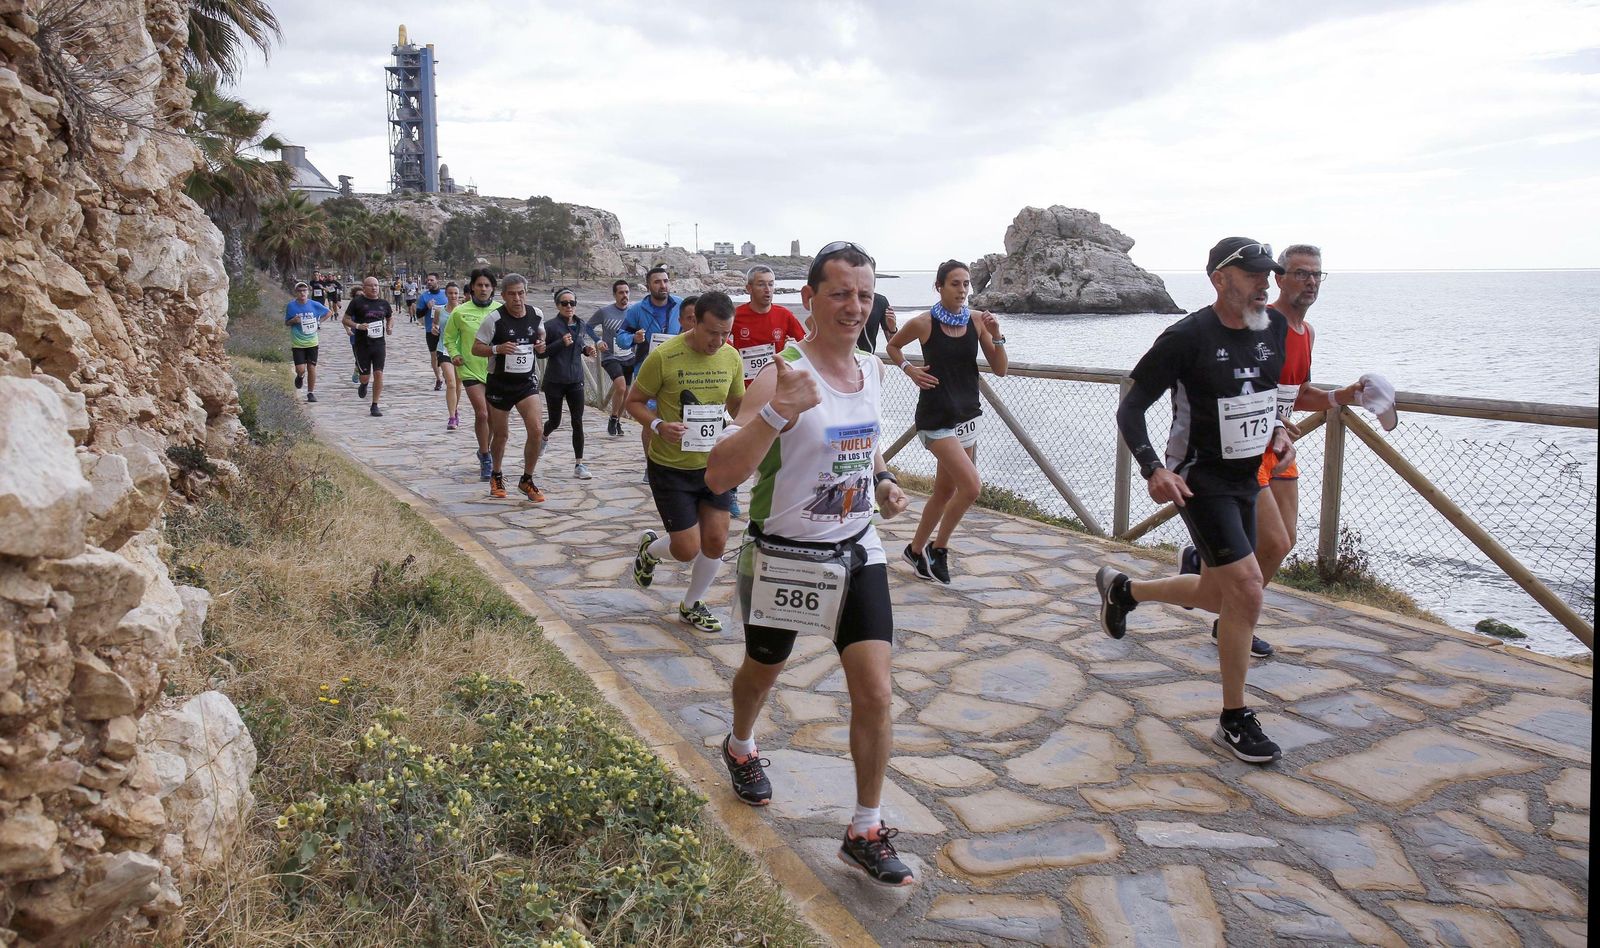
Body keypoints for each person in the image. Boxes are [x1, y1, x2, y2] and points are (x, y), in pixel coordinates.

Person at [705, 241, 916, 887]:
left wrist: (880, 480)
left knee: (876, 692)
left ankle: (866, 827)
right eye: (840, 293)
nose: (855, 306)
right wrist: (776, 412)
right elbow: (719, 473)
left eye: (864, 293)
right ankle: (741, 743)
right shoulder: (783, 373)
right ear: (811, 300)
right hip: (785, 557)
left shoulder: (874, 371)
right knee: (764, 671)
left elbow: (866, 443)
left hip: (857, 548)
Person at [1098, 237, 1295, 765]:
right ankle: (1234, 719)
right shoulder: (1185, 337)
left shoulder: (1272, 328)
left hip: (1248, 476)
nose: (1265, 285)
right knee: (1247, 589)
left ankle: (1126, 591)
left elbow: (1270, 395)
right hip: (1198, 480)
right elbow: (1132, 408)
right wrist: (1153, 467)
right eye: (1254, 275)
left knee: (1226, 588)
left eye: (1269, 275)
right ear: (1220, 280)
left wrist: (1280, 430)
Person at [1177, 244, 1365, 658]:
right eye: (1299, 273)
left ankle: (1212, 579)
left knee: (1284, 541)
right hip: (1249, 447)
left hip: (1278, 447)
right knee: (1271, 543)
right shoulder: (1265, 322)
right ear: (1278, 278)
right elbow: (1240, 383)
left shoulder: (1305, 331)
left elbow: (1295, 393)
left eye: (1317, 274)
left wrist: (1342, 396)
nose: (1310, 282)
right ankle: (1232, 613)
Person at [628, 291, 744, 634]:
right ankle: (651, 550)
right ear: (694, 321)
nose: (718, 341)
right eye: (712, 333)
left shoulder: (730, 357)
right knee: (685, 549)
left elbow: (739, 404)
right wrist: (658, 425)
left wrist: (746, 431)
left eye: (725, 333)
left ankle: (692, 605)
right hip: (671, 467)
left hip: (713, 466)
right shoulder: (665, 356)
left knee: (717, 540)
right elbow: (634, 400)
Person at [886, 260, 1007, 584]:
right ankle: (939, 549)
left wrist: (997, 336)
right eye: (955, 284)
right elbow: (893, 346)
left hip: (966, 417)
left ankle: (914, 550)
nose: (962, 290)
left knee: (944, 491)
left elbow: (1000, 368)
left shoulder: (979, 321)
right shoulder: (923, 323)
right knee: (971, 487)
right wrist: (908, 370)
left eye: (966, 284)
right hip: (935, 419)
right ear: (939, 287)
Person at [471, 273, 547, 502]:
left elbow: (540, 338)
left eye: (521, 293)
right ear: (503, 296)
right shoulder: (494, 319)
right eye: (512, 294)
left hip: (526, 383)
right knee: (501, 435)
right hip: (500, 383)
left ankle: (527, 479)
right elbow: (476, 348)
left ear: (526, 292)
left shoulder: (536, 314)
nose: (517, 298)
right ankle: (496, 474)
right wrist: (497, 349)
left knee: (536, 430)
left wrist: (541, 346)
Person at [442, 269, 501, 478]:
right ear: (473, 287)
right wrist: (455, 354)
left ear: (493, 288)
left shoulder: (500, 310)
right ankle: (486, 456)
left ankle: (485, 448)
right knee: (482, 413)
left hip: (496, 370)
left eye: (487, 285)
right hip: (469, 369)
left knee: (494, 416)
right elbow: (448, 338)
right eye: (479, 285)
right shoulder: (460, 312)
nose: (483, 289)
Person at [542, 287, 597, 479]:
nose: (569, 306)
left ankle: (579, 465)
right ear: (557, 305)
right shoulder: (550, 326)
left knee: (577, 422)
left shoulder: (581, 324)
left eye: (572, 303)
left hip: (576, 380)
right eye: (564, 303)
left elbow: (579, 344)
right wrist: (559, 344)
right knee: (555, 421)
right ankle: (544, 435)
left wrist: (587, 350)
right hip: (555, 380)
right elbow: (540, 352)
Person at [732, 265, 807, 383]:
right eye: (761, 284)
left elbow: (805, 345)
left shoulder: (785, 315)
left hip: (775, 384)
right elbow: (720, 342)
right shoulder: (735, 315)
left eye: (771, 284)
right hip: (744, 387)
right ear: (749, 288)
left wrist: (790, 351)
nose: (767, 289)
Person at [341, 276, 394, 417]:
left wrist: (389, 327)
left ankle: (375, 405)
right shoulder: (357, 302)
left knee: (379, 373)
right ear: (364, 288)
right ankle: (364, 384)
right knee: (365, 376)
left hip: (379, 344)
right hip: (362, 344)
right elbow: (345, 319)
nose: (374, 288)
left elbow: (390, 317)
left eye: (376, 285)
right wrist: (358, 326)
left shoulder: (384, 303)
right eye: (371, 285)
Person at [587, 279, 634, 436]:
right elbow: (588, 327)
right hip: (610, 356)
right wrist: (598, 341)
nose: (624, 295)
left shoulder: (634, 312)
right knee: (620, 386)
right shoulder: (604, 311)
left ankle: (618, 420)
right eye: (621, 292)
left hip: (629, 356)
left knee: (626, 393)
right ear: (615, 295)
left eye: (627, 292)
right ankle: (613, 417)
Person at [284, 280, 329, 403]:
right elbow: (287, 322)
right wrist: (294, 320)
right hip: (298, 342)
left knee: (312, 368)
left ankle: (310, 393)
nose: (302, 293)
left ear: (308, 292)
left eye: (304, 290)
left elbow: (328, 312)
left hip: (312, 342)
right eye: (299, 291)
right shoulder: (291, 306)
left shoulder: (314, 304)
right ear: (296, 293)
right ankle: (300, 376)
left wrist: (319, 322)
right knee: (300, 369)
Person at [436, 281, 465, 429]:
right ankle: (452, 417)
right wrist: (435, 329)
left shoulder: (464, 310)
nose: (453, 296)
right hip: (443, 349)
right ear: (446, 294)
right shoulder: (440, 310)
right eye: (450, 293)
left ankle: (455, 409)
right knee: (451, 383)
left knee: (458, 384)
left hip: (459, 351)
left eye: (455, 293)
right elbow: (436, 325)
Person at [416, 273, 449, 392]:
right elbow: (418, 314)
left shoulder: (446, 294)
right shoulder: (424, 297)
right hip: (431, 330)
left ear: (437, 281)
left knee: (446, 354)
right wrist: (427, 308)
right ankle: (438, 378)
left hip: (447, 330)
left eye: (431, 280)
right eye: (427, 280)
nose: (429, 282)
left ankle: (447, 375)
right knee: (434, 356)